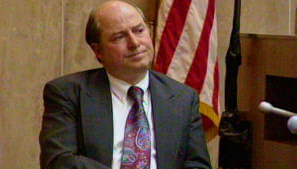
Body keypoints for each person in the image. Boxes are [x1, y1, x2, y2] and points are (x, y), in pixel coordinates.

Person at [39, 1, 212, 169]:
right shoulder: (68, 93)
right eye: (120, 37)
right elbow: (58, 161)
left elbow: (197, 164)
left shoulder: (183, 97)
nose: (135, 43)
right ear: (98, 51)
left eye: (139, 30)